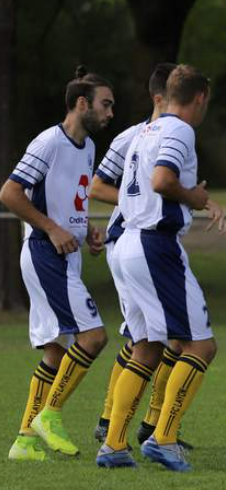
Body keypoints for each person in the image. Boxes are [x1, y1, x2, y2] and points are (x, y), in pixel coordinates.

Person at [96, 64, 226, 471]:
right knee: (201, 346)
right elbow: (162, 180)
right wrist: (197, 196)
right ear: (200, 96)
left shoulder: (143, 131)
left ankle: (114, 444)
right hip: (155, 245)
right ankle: (164, 439)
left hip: (129, 242)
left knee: (147, 346)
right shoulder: (180, 130)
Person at [3, 67, 114, 461]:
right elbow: (10, 193)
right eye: (105, 104)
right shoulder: (49, 141)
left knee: (55, 349)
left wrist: (88, 232)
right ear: (81, 103)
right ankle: (49, 416)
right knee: (93, 337)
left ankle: (25, 441)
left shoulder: (86, 149)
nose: (110, 113)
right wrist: (51, 229)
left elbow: (73, 203)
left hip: (66, 256)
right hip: (44, 253)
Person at [90, 63, 196, 450]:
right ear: (159, 97)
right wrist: (139, 200)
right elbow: (98, 185)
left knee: (159, 339)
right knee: (152, 338)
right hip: (134, 240)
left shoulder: (165, 135)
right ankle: (121, 424)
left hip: (147, 241)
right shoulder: (132, 137)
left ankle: (146, 427)